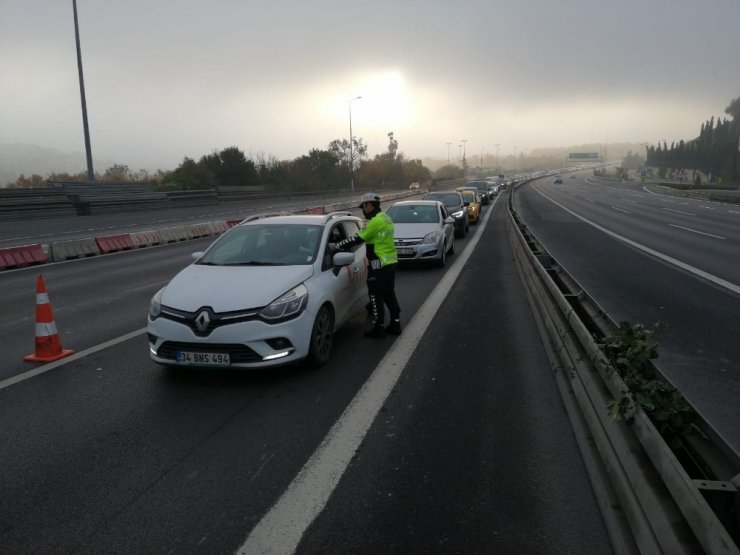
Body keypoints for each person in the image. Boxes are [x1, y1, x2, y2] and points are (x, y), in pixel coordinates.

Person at [331, 192, 401, 338]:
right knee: (389, 293)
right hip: (390, 261)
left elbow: (358, 239)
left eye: (363, 206)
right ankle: (395, 323)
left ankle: (378, 327)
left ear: (369, 205)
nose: (363, 209)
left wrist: (336, 246)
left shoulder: (375, 221)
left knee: (375, 296)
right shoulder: (386, 217)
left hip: (378, 263)